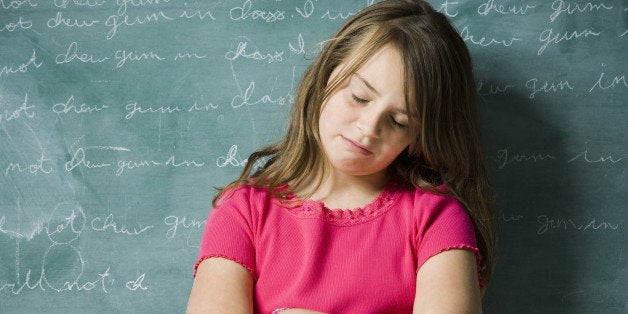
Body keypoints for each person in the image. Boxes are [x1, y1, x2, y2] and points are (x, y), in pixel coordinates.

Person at [187, 0, 497, 312]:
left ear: (419, 139)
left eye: (399, 121)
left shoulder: (437, 218)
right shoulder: (243, 212)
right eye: (359, 97)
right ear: (326, 76)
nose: (367, 128)